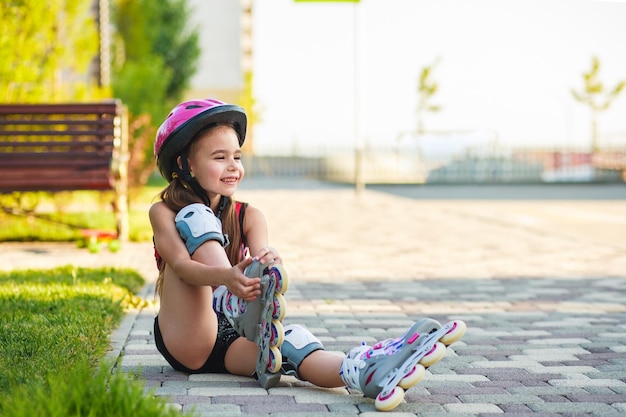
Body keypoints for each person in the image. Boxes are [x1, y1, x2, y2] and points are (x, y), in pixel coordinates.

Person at [149, 98, 466, 411]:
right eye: (219, 157)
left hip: (230, 338)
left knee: (291, 343)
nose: (233, 166)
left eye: (237, 156)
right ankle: (230, 300)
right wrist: (227, 280)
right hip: (187, 333)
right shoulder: (164, 211)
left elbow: (265, 263)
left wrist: (268, 265)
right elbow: (181, 265)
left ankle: (367, 370)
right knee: (195, 216)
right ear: (184, 164)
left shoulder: (250, 215)